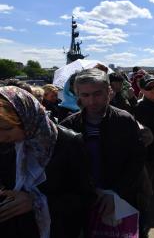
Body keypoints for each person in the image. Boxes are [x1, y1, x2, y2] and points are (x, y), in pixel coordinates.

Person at [0, 86, 93, 238]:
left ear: (27, 115)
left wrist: (36, 202)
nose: (1, 137)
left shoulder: (67, 142)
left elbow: (85, 197)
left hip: (57, 230)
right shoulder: (6, 145)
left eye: (8, 128)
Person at [60, 68, 145, 229]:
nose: (91, 101)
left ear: (108, 91)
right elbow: (66, 171)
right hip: (85, 204)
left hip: (123, 199)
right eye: (85, 95)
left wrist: (116, 192)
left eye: (97, 94)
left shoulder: (124, 120)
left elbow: (137, 159)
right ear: (78, 95)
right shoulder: (67, 127)